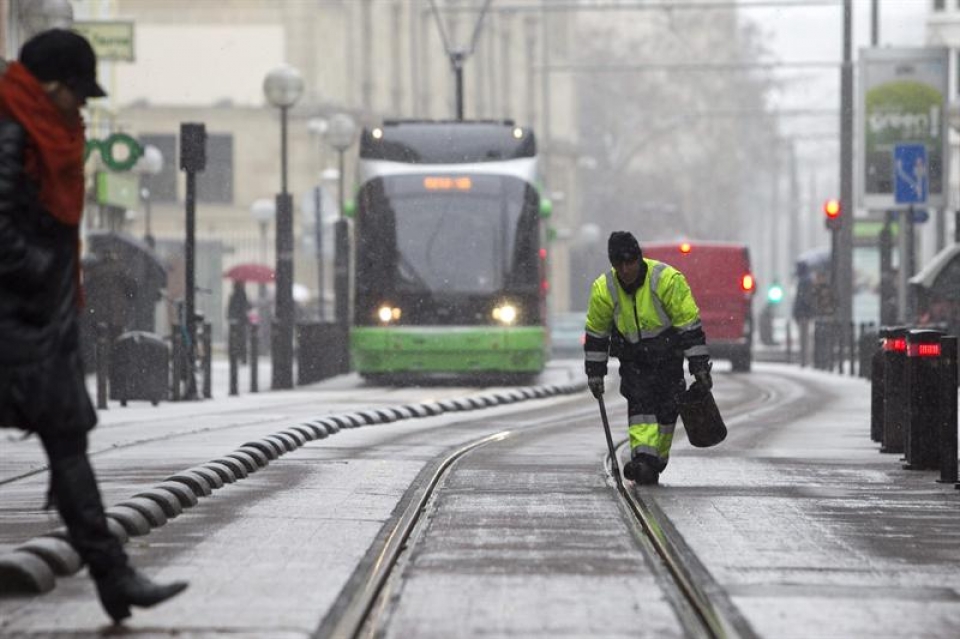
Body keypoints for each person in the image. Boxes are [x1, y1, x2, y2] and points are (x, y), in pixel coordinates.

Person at [0, 29, 186, 623]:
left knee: (68, 437)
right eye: (75, 94)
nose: (80, 106)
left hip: (34, 319)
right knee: (67, 438)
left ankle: (113, 576)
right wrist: (40, 268)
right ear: (49, 87)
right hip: (15, 316)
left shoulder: (40, 127)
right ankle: (113, 576)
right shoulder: (12, 129)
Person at [584, 231, 712, 485]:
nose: (625, 269)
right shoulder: (604, 289)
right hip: (634, 361)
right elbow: (597, 334)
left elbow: (688, 325)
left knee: (667, 411)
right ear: (613, 264)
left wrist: (698, 366)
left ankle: (655, 461)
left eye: (630, 262)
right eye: (619, 264)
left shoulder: (666, 280)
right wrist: (595, 372)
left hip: (668, 357)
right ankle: (643, 458)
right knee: (640, 408)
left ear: (639, 258)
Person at [226, 279, 250, 363]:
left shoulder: (233, 295)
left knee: (234, 340)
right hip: (241, 321)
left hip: (235, 321)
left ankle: (234, 356)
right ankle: (242, 357)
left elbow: (230, 309)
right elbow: (246, 307)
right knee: (242, 340)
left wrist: (230, 317)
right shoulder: (243, 295)